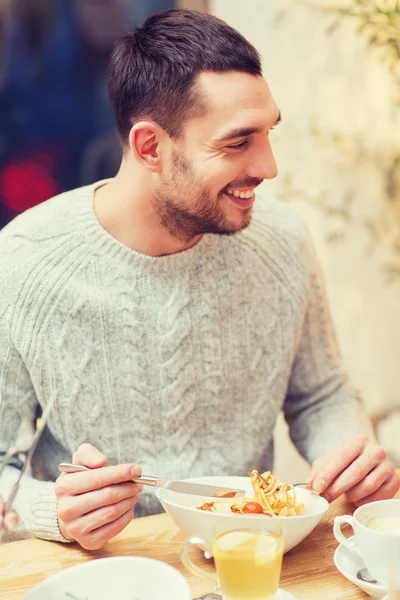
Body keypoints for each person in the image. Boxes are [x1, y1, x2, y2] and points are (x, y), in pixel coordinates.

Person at [0, 8, 398, 550]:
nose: (269, 166)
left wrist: (351, 453)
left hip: (247, 554)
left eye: (267, 133)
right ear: (149, 148)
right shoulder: (24, 261)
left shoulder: (282, 238)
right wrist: (53, 511)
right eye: (238, 143)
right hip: (97, 569)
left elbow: (320, 394)